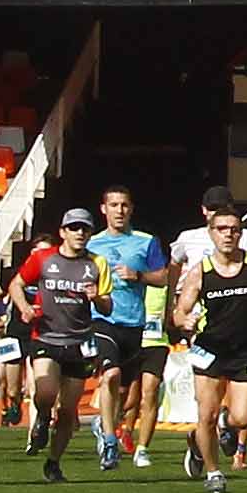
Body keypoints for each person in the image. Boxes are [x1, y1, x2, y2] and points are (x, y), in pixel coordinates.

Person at [170, 194, 247, 493]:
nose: (228, 235)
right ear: (211, 233)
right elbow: (179, 311)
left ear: (241, 234)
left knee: (244, 417)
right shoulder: (200, 272)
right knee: (205, 414)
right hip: (210, 349)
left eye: (234, 229)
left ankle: (219, 428)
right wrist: (184, 320)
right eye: (222, 229)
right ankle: (213, 472)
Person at [86, 188, 170, 473]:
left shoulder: (145, 242)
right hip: (102, 320)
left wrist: (139, 275)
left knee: (125, 394)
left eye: (124, 205)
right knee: (110, 375)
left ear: (131, 209)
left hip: (134, 323)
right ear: (103, 209)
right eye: (113, 205)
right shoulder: (92, 244)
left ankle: (105, 424)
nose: (119, 210)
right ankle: (111, 442)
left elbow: (163, 277)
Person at [17, 207, 103, 476]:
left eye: (85, 228)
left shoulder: (96, 263)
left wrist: (97, 298)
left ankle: (54, 461)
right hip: (46, 336)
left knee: (67, 411)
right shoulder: (44, 258)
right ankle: (43, 417)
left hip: (78, 341)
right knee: (45, 391)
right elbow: (16, 284)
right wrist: (24, 307)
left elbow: (108, 305)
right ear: (63, 232)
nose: (80, 233)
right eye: (74, 228)